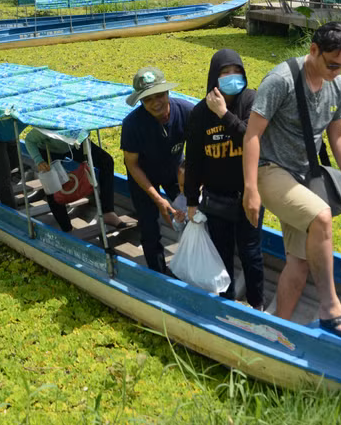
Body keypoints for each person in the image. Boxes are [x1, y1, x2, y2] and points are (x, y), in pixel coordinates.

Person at [242, 21, 341, 339]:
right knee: (321, 217)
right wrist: (251, 189)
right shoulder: (281, 80)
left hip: (303, 176)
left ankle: (278, 329)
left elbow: (337, 134)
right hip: (270, 169)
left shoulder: (338, 86)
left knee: (299, 262)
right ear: (313, 50)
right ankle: (330, 307)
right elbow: (252, 135)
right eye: (333, 64)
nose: (338, 72)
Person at [185, 49, 265, 310]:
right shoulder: (199, 113)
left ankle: (257, 304)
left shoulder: (251, 100)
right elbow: (194, 159)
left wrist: (223, 113)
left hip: (248, 194)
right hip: (216, 198)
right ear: (214, 77)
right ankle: (226, 302)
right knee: (221, 253)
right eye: (225, 72)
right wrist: (191, 200)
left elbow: (251, 138)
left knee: (251, 252)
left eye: (236, 71)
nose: (232, 77)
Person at [121, 66, 193, 274]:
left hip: (175, 172)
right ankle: (158, 273)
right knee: (150, 228)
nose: (155, 103)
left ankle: (192, 264)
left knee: (192, 216)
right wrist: (158, 198)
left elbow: (200, 150)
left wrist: (194, 182)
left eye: (159, 95)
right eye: (148, 99)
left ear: (167, 92)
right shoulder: (132, 125)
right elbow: (131, 164)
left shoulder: (186, 112)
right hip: (143, 177)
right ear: (140, 101)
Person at [23, 128, 125, 232]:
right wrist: (39, 160)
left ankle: (108, 212)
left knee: (106, 161)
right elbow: (29, 140)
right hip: (48, 148)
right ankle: (66, 228)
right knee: (53, 185)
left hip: (74, 144)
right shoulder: (46, 128)